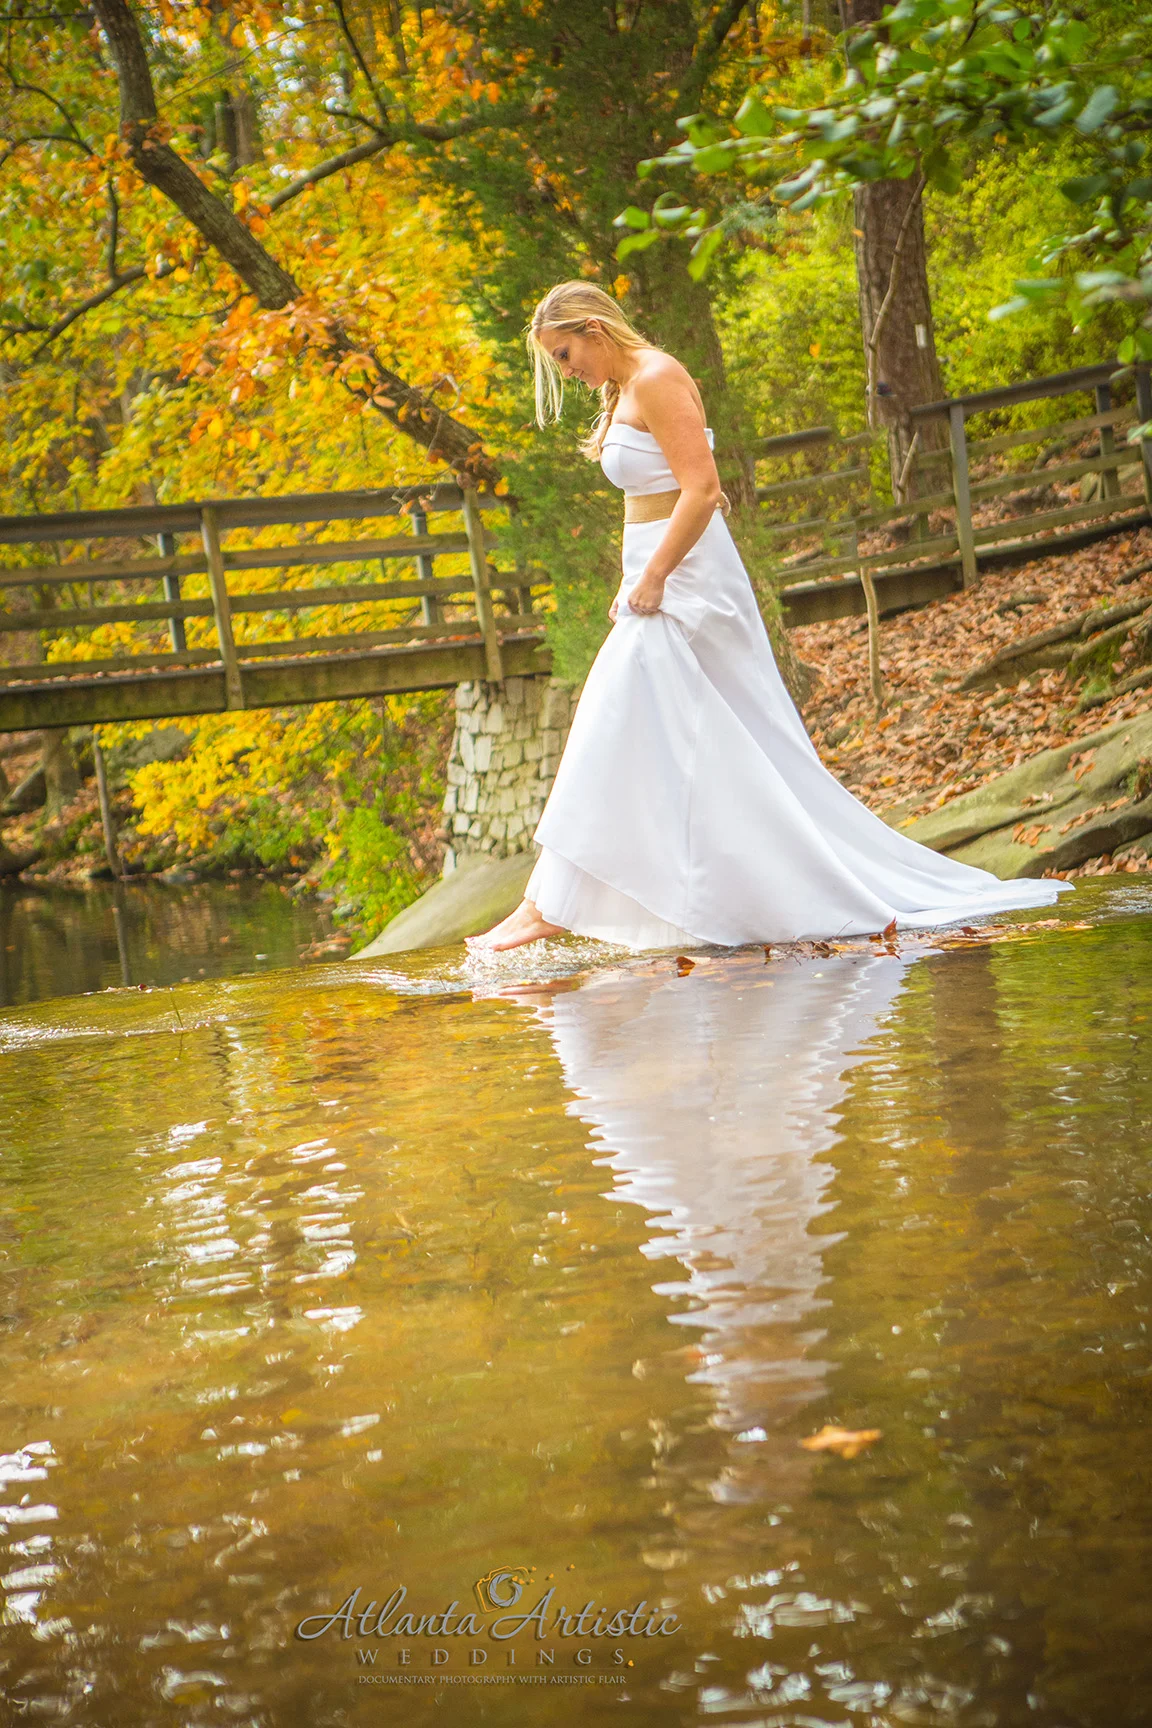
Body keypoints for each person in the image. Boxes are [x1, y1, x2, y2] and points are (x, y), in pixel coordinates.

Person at [466, 281, 1072, 954]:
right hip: (656, 577)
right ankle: (609, 898)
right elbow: (648, 498)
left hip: (688, 580)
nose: (566, 370)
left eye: (564, 354)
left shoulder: (658, 378)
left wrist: (656, 576)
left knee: (612, 715)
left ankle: (546, 905)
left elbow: (703, 490)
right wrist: (636, 577)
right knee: (716, 738)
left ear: (594, 329)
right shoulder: (623, 389)